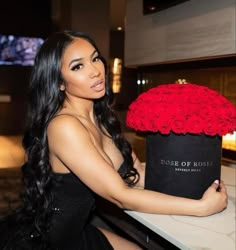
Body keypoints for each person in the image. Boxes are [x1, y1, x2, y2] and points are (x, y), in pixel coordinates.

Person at [0, 30, 227, 250]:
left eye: (95, 59)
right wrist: (200, 208)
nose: (95, 71)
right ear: (59, 82)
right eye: (78, 66)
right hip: (55, 241)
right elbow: (121, 196)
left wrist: (192, 185)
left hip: (79, 230)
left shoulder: (100, 117)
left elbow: (136, 175)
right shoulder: (64, 126)